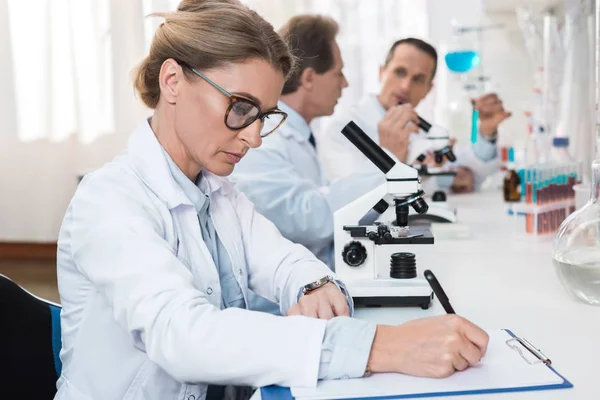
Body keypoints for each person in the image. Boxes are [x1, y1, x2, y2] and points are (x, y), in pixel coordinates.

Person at [54, 2, 489, 399]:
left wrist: (313, 283)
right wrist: (381, 346)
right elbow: (181, 335)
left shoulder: (219, 192)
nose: (255, 136)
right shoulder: (109, 200)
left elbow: (284, 260)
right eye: (241, 107)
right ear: (172, 81)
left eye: (264, 115)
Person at [230, 15, 382, 268]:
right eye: (338, 73)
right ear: (309, 78)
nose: (345, 83)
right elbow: (307, 219)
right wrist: (385, 174)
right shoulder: (263, 137)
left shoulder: (300, 133)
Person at [321, 37, 512, 193]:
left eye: (418, 79)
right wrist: (397, 159)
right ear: (382, 73)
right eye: (399, 72)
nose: (406, 86)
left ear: (428, 90)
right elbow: (353, 195)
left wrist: (487, 131)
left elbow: (465, 173)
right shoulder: (344, 129)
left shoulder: (421, 129)